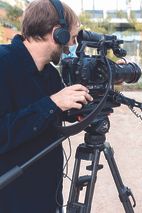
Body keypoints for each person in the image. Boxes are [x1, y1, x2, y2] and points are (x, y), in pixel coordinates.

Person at [0, 0, 93, 212]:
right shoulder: (3, 64)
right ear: (57, 33)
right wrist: (52, 103)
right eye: (71, 37)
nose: (71, 45)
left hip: (47, 194)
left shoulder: (49, 73)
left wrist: (93, 95)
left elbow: (58, 111)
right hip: (12, 198)